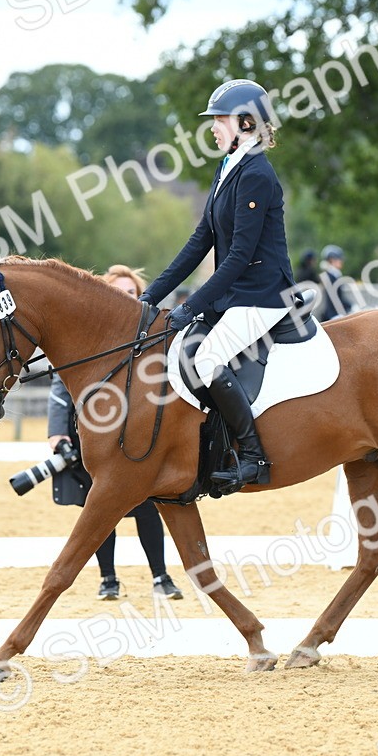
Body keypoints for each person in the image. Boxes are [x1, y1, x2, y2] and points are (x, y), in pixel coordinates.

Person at [139, 78, 296, 488]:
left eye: (219, 120)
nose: (212, 127)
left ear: (246, 122)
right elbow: (202, 240)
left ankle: (254, 457)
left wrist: (192, 304)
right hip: (236, 294)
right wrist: (153, 295)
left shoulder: (257, 172)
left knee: (206, 359)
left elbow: (240, 255)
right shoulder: (228, 165)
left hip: (262, 294)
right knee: (182, 352)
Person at [49, 264, 184, 601]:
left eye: (132, 293)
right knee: (97, 510)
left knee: (148, 508)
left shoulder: (153, 339)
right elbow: (59, 387)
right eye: (119, 292)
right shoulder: (87, 339)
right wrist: (57, 434)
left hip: (137, 437)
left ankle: (161, 577)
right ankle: (108, 579)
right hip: (92, 437)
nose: (126, 298)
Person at [318, 244, 358, 321]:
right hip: (332, 315)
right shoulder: (329, 276)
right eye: (339, 259)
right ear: (331, 260)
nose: (341, 261)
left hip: (337, 313)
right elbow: (331, 300)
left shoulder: (335, 275)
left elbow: (339, 297)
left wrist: (351, 306)